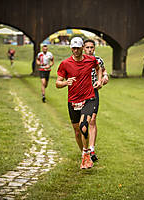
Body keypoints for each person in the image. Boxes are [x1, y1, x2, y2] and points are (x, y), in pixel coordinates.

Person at [56, 37, 102, 169]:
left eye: (78, 48)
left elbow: (99, 68)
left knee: (84, 126)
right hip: (73, 101)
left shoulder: (91, 60)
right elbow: (57, 83)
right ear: (71, 48)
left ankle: (86, 156)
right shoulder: (65, 64)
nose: (76, 50)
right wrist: (65, 82)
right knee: (77, 132)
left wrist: (99, 81)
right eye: (73, 48)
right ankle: (84, 153)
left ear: (82, 48)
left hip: (88, 98)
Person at [83, 39, 109, 162]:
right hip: (81, 93)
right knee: (81, 124)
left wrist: (105, 77)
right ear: (83, 48)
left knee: (92, 120)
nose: (89, 50)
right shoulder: (79, 60)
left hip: (93, 92)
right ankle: (84, 149)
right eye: (87, 47)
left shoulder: (98, 60)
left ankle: (92, 149)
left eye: (91, 47)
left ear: (94, 48)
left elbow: (104, 71)